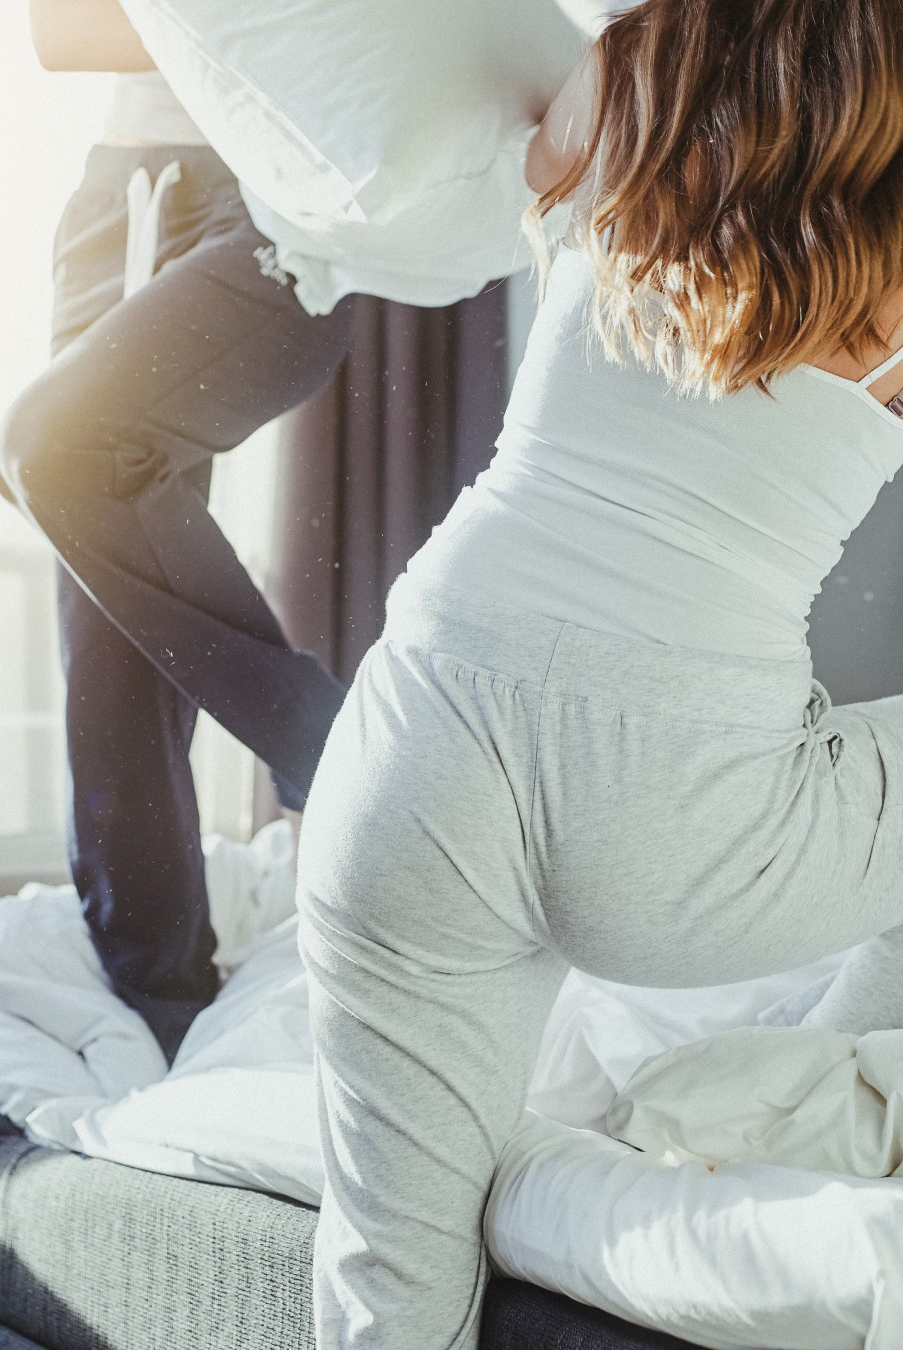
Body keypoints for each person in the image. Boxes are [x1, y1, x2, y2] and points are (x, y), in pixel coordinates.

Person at [295, 0, 903, 1344]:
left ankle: (778, 1094)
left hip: (418, 737)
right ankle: (797, 1103)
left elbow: (507, 128)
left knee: (387, 1286)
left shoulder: (634, 86)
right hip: (682, 815)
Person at [0, 0, 355, 1061]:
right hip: (122, 197)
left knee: (50, 451)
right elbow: (62, 30)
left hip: (270, 194)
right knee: (101, 625)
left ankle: (329, 747)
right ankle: (160, 996)